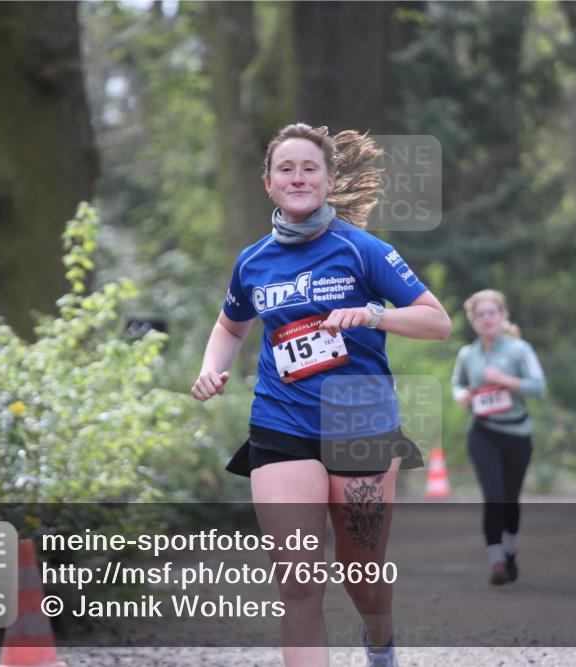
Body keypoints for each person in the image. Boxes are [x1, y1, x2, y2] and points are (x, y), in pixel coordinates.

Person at [191, 123, 451, 667]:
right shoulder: (253, 261)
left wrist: (375, 314)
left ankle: (380, 642)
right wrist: (212, 370)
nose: (298, 177)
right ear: (268, 183)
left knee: (364, 578)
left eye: (310, 167)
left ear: (330, 180)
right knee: (299, 585)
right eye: (285, 168)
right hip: (281, 426)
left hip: (361, 428)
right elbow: (231, 326)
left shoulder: (363, 251)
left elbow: (437, 322)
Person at [451, 289, 546, 586]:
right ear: (473, 321)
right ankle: (496, 562)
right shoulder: (468, 354)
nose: (486, 319)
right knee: (493, 496)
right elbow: (457, 383)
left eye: (492, 312)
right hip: (483, 432)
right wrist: (462, 395)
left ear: (503, 316)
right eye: (480, 314)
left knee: (509, 499)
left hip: (517, 433)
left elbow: (539, 387)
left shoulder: (520, 350)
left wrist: (505, 380)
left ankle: (509, 551)